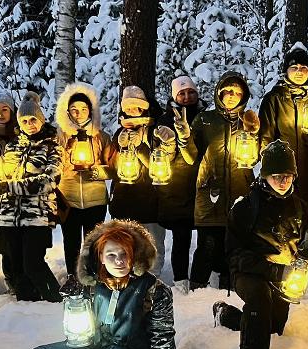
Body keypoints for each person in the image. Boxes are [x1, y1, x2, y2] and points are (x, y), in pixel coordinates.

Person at [17, 219, 181, 349]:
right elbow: (76, 328)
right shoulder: (92, 284)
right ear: (101, 256)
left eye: (125, 253)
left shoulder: (154, 290)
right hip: (89, 345)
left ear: (135, 254)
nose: (119, 261)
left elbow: (162, 337)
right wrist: (73, 300)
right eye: (111, 255)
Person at [215, 139, 308, 349]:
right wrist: (274, 270)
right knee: (260, 301)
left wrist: (303, 262)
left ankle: (225, 314)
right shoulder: (245, 207)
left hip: (284, 277)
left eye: (287, 176)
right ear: (264, 176)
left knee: (272, 327)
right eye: (276, 176)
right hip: (250, 274)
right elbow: (234, 253)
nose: (282, 182)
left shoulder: (300, 207)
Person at [190, 72, 260, 291]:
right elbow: (191, 155)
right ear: (219, 92)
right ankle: (196, 293)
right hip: (211, 193)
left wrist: (254, 134)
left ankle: (230, 291)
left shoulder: (248, 120)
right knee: (207, 246)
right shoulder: (205, 119)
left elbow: (256, 157)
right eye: (228, 91)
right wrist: (183, 138)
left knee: (235, 247)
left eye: (237, 92)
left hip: (240, 191)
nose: (232, 96)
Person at [0, 92, 62, 302]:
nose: (29, 124)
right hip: (8, 216)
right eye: (24, 120)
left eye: (33, 119)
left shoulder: (52, 146)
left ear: (41, 119)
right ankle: (28, 307)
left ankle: (55, 301)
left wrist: (11, 186)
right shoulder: (13, 146)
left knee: (33, 264)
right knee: (16, 266)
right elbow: (3, 174)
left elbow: (49, 180)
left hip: (37, 216)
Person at [55, 82, 115, 293]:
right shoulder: (60, 137)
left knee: (93, 240)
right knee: (71, 241)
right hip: (69, 197)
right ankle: (74, 276)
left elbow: (114, 167)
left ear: (91, 110)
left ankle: (93, 274)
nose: (79, 113)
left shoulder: (101, 136)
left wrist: (97, 172)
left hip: (95, 198)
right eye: (74, 109)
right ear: (67, 111)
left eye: (83, 109)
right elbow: (54, 167)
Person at [259, 47, 308, 211]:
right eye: (294, 68)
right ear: (286, 71)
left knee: (303, 226)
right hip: (279, 178)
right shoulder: (274, 99)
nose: (299, 72)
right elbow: (265, 140)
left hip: (306, 176)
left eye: (303, 68)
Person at [156, 76, 207, 292]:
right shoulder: (166, 119)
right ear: (175, 96)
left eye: (190, 92)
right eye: (181, 93)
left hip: (202, 184)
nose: (187, 97)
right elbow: (158, 150)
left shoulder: (206, 118)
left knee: (206, 237)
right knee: (181, 237)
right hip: (177, 187)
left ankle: (201, 279)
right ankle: (180, 281)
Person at [109, 86, 166, 277]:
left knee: (153, 243)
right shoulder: (119, 134)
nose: (132, 111)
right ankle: (126, 276)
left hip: (150, 199)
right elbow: (113, 167)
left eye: (136, 107)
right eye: (129, 108)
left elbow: (158, 164)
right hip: (125, 199)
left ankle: (153, 280)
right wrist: (121, 146)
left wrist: (140, 147)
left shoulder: (155, 132)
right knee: (126, 242)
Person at [0, 91, 18, 293]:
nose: (0, 114)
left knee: (9, 245)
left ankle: (13, 278)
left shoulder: (18, 137)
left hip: (13, 198)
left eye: (5, 109)